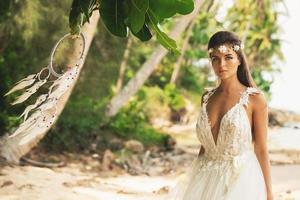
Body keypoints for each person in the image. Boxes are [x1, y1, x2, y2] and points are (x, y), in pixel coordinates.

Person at [164, 31, 273, 200]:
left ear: (239, 60)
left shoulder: (255, 99)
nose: (221, 64)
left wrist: (269, 193)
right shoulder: (206, 98)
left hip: (239, 181)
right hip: (204, 179)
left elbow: (261, 149)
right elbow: (205, 146)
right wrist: (192, 181)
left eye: (228, 57)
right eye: (215, 58)